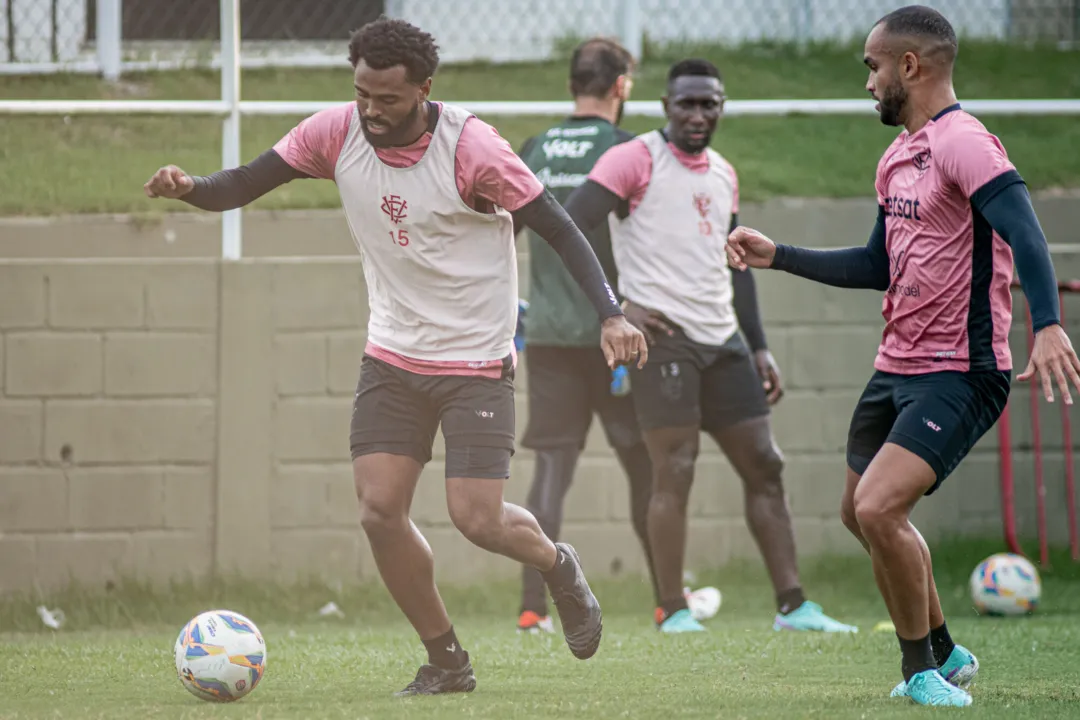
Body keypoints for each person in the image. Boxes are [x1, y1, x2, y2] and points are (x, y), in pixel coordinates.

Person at [142, 17, 648, 696]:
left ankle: (558, 566)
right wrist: (191, 188)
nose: (372, 112)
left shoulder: (473, 148)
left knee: (477, 518)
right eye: (362, 95)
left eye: (387, 99)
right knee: (379, 511)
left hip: (475, 359)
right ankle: (447, 660)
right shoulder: (334, 132)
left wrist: (610, 313)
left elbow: (557, 224)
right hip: (393, 355)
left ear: (424, 89)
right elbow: (243, 183)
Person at [727, 5, 1080, 708]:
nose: (868, 83)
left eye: (873, 66)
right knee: (859, 514)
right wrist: (780, 257)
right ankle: (947, 652)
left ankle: (921, 670)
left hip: (961, 370)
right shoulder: (897, 156)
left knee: (881, 507)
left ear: (909, 67)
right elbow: (875, 264)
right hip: (897, 367)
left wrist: (1048, 326)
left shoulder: (967, 144)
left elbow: (1028, 235)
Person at [562, 58, 856, 635]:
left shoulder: (723, 172)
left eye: (709, 104)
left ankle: (795, 607)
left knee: (766, 466)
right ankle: (672, 610)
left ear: (721, 108)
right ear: (666, 106)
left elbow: (738, 264)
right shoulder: (634, 159)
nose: (697, 114)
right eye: (686, 103)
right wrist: (617, 306)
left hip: (724, 342)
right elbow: (570, 226)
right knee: (674, 468)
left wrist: (761, 346)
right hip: (663, 344)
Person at [512, 37, 676, 634]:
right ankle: (668, 604)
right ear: (622, 86)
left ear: (571, 86)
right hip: (618, 339)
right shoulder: (628, 148)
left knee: (551, 469)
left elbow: (503, 233)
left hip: (552, 335)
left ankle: (532, 609)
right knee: (641, 464)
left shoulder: (533, 148)